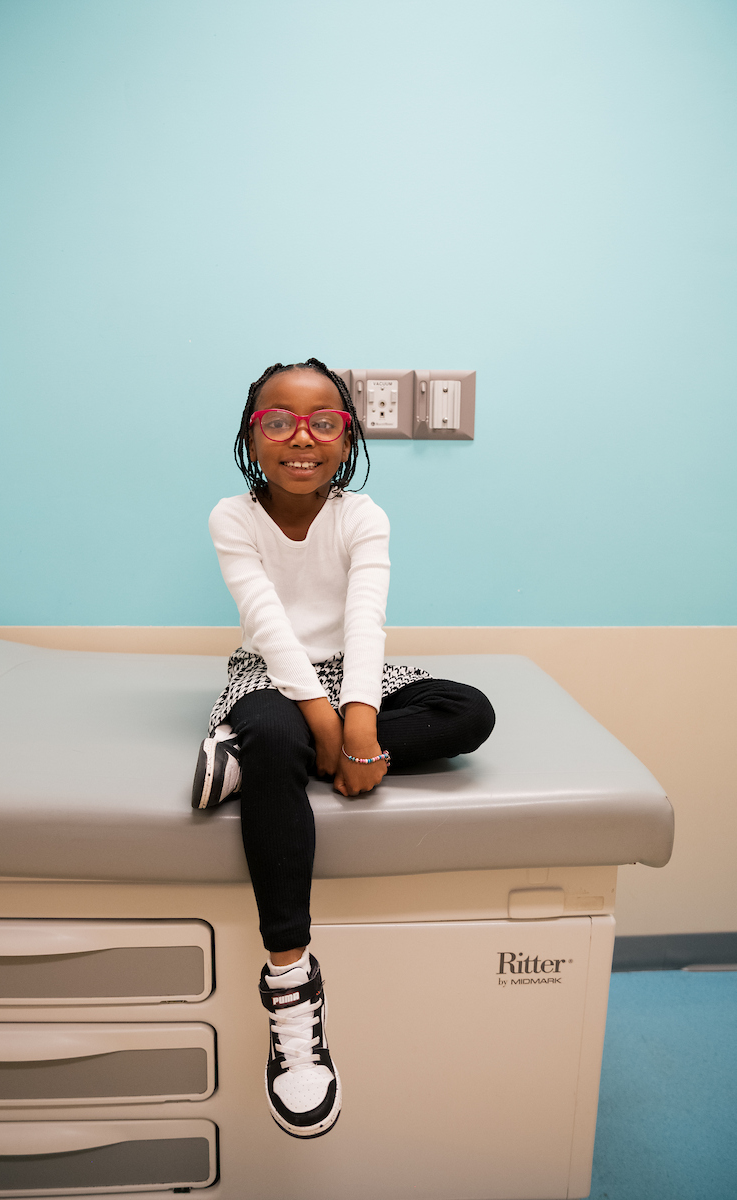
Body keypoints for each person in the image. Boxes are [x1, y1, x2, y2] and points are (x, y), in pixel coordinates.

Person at [192, 358, 495, 1139]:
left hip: (350, 674)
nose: (302, 437)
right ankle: (291, 988)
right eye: (279, 421)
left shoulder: (364, 517)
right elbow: (270, 628)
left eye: (324, 420)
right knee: (274, 725)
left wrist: (361, 727)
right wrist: (329, 730)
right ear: (250, 437)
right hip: (270, 674)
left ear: (347, 434)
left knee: (468, 711)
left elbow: (367, 624)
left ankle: (256, 768)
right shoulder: (233, 517)